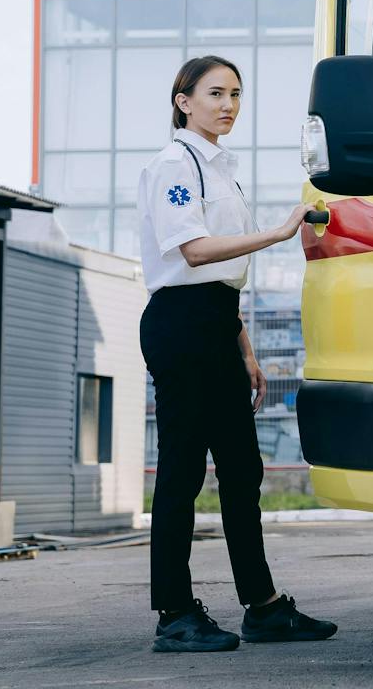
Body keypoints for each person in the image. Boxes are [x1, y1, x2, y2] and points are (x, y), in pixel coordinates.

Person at [138, 54, 337, 653]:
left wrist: (244, 346)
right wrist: (279, 232)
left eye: (236, 95)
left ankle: (263, 606)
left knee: (243, 471)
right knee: (182, 474)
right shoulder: (174, 165)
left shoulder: (222, 169)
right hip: (179, 324)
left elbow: (225, 278)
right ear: (184, 101)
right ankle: (174, 613)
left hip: (217, 324)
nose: (228, 105)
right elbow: (195, 253)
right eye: (215, 93)